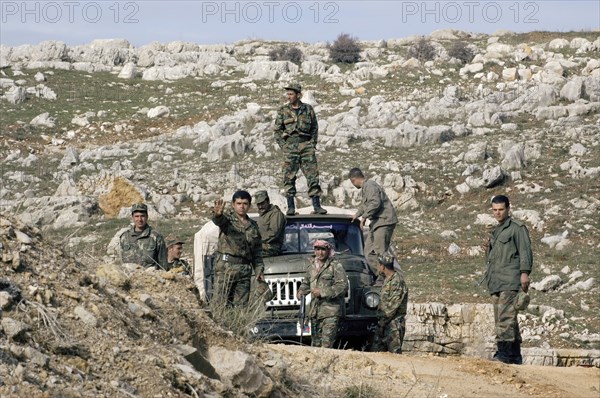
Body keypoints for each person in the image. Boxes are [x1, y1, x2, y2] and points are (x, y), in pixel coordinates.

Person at [483, 195, 533, 365]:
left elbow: (525, 251)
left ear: (508, 209)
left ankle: (503, 355)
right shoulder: (496, 231)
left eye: (501, 209)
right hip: (496, 281)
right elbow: (493, 258)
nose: (498, 213)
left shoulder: (517, 228)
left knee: (505, 318)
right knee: (505, 318)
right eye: (495, 210)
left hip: (510, 280)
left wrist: (525, 273)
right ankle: (515, 356)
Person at [274, 82, 327, 216]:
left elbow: (314, 127)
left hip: (306, 146)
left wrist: (312, 144)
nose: (289, 97)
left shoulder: (308, 109)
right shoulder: (283, 111)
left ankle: (316, 206)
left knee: (313, 176)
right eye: (288, 94)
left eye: (291, 94)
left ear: (298, 95)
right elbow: (277, 131)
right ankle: (291, 207)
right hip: (290, 146)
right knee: (289, 177)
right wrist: (284, 146)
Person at [212, 190, 265, 307]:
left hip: (244, 270)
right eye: (239, 203)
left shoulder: (253, 226)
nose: (242, 206)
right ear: (233, 204)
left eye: (245, 204)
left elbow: (257, 251)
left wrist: (259, 270)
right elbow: (218, 221)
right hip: (226, 267)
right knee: (220, 304)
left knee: (241, 307)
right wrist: (217, 215)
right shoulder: (228, 220)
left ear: (249, 206)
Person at [349, 168, 398, 282]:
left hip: (383, 221)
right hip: (376, 224)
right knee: (368, 253)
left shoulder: (370, 185)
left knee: (380, 252)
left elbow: (375, 203)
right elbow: (365, 205)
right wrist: (357, 215)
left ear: (353, 180)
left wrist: (365, 216)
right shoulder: (365, 188)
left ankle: (391, 280)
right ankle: (382, 276)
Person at [296, 240, 348, 348]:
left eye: (323, 250)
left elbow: (342, 287)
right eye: (317, 250)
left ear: (328, 251)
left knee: (326, 345)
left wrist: (322, 292)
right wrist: (301, 291)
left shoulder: (335, 266)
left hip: (331, 311)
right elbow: (306, 282)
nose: (320, 253)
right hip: (314, 312)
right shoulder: (312, 266)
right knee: (315, 344)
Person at [373, 253, 408, 353]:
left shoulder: (397, 281)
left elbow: (393, 306)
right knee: (377, 353)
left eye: (379, 264)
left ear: (383, 266)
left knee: (394, 354)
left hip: (394, 325)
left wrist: (382, 322)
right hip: (384, 323)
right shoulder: (387, 280)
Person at [119, 203, 168, 269]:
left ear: (147, 217)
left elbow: (163, 264)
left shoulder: (155, 237)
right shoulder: (124, 237)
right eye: (137, 216)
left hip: (149, 276)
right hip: (128, 275)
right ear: (132, 217)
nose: (140, 219)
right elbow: (121, 262)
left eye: (142, 216)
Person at [255, 190, 286, 257]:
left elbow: (273, 233)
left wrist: (256, 240)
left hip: (271, 248)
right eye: (258, 204)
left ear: (268, 201)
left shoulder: (275, 214)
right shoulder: (263, 215)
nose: (260, 207)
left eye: (262, 203)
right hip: (262, 246)